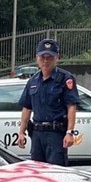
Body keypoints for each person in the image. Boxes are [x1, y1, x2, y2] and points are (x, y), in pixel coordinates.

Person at [17, 38, 80, 166]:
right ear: (37, 58)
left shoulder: (65, 78)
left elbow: (71, 107)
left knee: (56, 172)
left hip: (56, 134)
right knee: (38, 172)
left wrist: (69, 133)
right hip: (37, 134)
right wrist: (21, 132)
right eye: (42, 57)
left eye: (50, 57)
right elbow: (27, 108)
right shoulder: (33, 81)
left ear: (57, 57)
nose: (45, 61)